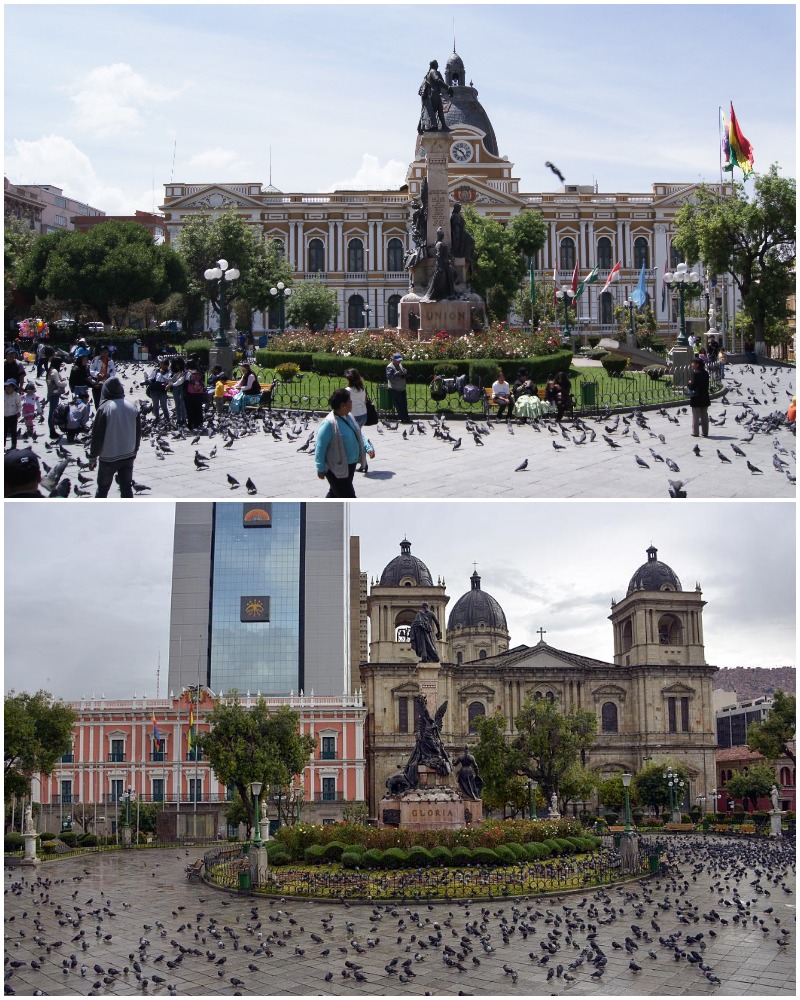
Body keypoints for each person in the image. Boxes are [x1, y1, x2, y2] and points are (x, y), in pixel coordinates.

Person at [315, 388, 374, 498]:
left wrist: (367, 447)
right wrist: (320, 468)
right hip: (336, 468)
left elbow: (358, 433)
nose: (352, 403)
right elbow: (320, 446)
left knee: (335, 493)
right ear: (343, 405)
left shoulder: (349, 416)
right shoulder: (329, 424)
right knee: (348, 496)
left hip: (350, 466)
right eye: (350, 401)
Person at [89, 376, 142, 498]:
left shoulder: (104, 408)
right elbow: (138, 433)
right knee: (126, 487)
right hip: (128, 454)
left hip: (109, 456)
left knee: (102, 490)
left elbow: (97, 436)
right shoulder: (132, 406)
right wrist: (135, 450)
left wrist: (92, 457)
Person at [418, 59, 452, 133]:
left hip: (436, 94)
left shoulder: (431, 72)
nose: (438, 66)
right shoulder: (433, 71)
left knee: (439, 110)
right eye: (437, 64)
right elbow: (437, 80)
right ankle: (420, 127)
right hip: (433, 94)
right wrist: (447, 87)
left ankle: (444, 125)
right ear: (434, 65)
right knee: (431, 111)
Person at [687, 357, 711, 438]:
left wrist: (689, 383)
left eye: (693, 363)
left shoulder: (695, 373)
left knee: (696, 415)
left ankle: (695, 432)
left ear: (697, 365)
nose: (691, 364)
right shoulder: (705, 373)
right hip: (704, 396)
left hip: (696, 397)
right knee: (704, 415)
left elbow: (692, 385)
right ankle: (705, 432)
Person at [46, 358, 68, 438]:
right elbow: (58, 383)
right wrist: (64, 383)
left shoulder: (50, 370)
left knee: (52, 411)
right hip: (54, 394)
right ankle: (52, 431)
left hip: (51, 393)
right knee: (52, 412)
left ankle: (52, 430)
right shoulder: (54, 371)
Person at [89, 345, 116, 410]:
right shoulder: (96, 359)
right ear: (100, 352)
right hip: (97, 383)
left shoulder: (110, 361)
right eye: (104, 352)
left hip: (107, 383)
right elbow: (91, 370)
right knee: (97, 401)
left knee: (107, 401)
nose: (105, 354)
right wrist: (97, 374)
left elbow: (113, 372)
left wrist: (109, 375)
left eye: (107, 352)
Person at [386, 353, 411, 423]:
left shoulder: (400, 365)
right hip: (394, 388)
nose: (399, 362)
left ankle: (407, 418)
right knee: (399, 404)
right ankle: (403, 419)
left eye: (400, 360)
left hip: (402, 388)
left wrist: (404, 373)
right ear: (393, 360)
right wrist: (397, 373)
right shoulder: (390, 367)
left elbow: (402, 374)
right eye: (397, 360)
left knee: (404, 404)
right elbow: (389, 377)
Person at [147, 358, 172, 425]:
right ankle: (157, 418)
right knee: (155, 405)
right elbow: (150, 378)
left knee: (164, 405)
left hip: (163, 391)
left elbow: (168, 380)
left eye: (165, 365)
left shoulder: (169, 372)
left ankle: (167, 419)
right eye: (162, 364)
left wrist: (162, 374)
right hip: (154, 390)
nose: (163, 366)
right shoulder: (155, 370)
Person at [184, 366, 206, 431]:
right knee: (198, 408)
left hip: (190, 394)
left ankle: (191, 424)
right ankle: (199, 423)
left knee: (190, 409)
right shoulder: (200, 372)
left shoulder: (188, 373)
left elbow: (185, 382)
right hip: (199, 394)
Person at [168, 357, 187, 427]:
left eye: (178, 364)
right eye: (176, 364)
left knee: (182, 404)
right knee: (177, 404)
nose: (177, 366)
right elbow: (170, 380)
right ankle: (179, 419)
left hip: (182, 387)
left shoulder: (184, 371)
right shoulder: (172, 372)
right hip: (175, 388)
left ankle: (184, 419)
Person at [4, 379, 22, 450]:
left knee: (13, 431)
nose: (7, 388)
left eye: (9, 387)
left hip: (13, 416)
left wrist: (18, 412)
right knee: (3, 431)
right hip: (4, 416)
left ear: (13, 388)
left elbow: (19, 405)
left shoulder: (16, 396)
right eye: (6, 387)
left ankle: (13, 446)